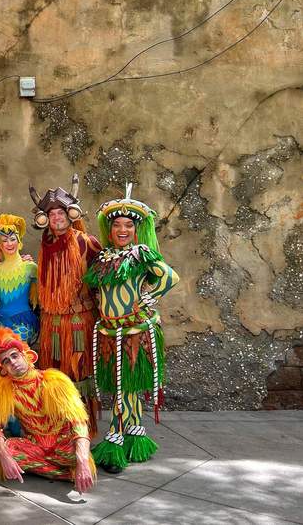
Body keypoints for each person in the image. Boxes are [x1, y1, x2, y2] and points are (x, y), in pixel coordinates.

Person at [85, 184, 179, 473]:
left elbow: (170, 277)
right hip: (108, 333)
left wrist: (150, 298)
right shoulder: (103, 258)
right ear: (110, 229)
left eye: (128, 225)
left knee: (125, 389)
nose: (122, 230)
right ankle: (136, 435)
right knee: (121, 388)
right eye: (117, 225)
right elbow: (96, 289)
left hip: (134, 333)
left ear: (136, 230)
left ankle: (115, 441)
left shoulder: (141, 254)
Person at [0, 327, 96, 493]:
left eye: (15, 355)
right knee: (4, 452)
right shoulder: (3, 389)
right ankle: (64, 474)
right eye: (6, 361)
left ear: (28, 356)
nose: (12, 362)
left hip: (63, 444)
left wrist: (83, 461)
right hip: (34, 445)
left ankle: (63, 470)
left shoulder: (54, 381)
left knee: (76, 453)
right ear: (3, 370)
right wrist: (5, 457)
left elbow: (78, 421)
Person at [29, 174, 101, 432]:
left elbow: (103, 278)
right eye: (51, 214)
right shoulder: (45, 246)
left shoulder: (87, 243)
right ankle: (58, 424)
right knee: (54, 371)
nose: (56, 217)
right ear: (44, 219)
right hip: (51, 322)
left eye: (61, 212)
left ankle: (83, 426)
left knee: (80, 371)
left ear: (71, 215)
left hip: (80, 321)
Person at [0, 214, 39, 344]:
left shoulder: (30, 267)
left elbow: (41, 294)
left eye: (12, 239)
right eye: (4, 240)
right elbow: (1, 294)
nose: (9, 244)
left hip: (23, 322)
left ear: (19, 241)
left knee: (19, 354)